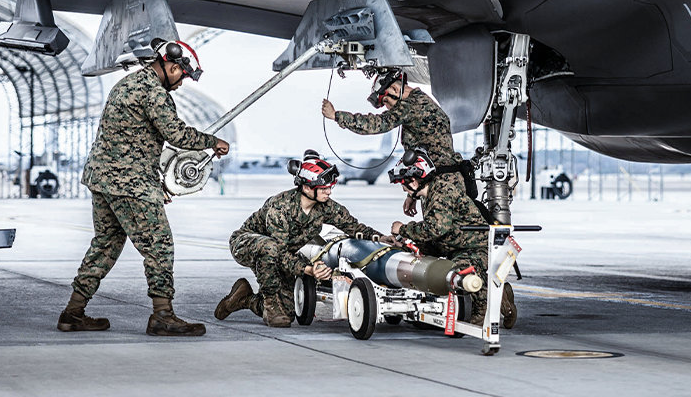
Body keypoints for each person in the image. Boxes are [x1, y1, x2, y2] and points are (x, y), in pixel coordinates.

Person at [57, 38, 230, 337]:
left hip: (104, 179)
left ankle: (73, 312)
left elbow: (135, 140)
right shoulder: (153, 91)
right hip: (128, 182)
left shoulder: (128, 84)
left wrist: (153, 182)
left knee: (106, 245)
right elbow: (175, 133)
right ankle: (162, 315)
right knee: (159, 245)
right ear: (173, 66)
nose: (181, 83)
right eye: (182, 76)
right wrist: (212, 142)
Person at [215, 150, 387, 327]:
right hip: (247, 244)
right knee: (270, 249)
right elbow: (279, 253)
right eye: (324, 187)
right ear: (307, 187)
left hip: (281, 254)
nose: (329, 191)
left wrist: (381, 238)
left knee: (288, 313)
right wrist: (309, 270)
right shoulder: (280, 207)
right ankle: (269, 301)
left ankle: (242, 299)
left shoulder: (326, 206)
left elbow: (354, 227)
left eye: (330, 186)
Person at [387, 149, 516, 329]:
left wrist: (403, 228)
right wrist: (406, 239)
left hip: (475, 247)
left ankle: (492, 305)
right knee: (412, 251)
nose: (403, 188)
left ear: (415, 180)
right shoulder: (431, 192)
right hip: (453, 243)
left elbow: (436, 228)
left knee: (459, 275)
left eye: (404, 183)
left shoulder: (441, 192)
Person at [321, 69, 469, 215]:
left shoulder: (411, 105)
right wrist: (412, 195)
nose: (387, 107)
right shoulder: (420, 101)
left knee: (440, 234)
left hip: (442, 184)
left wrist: (336, 116)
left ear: (394, 88)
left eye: (386, 101)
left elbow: (378, 123)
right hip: (440, 181)